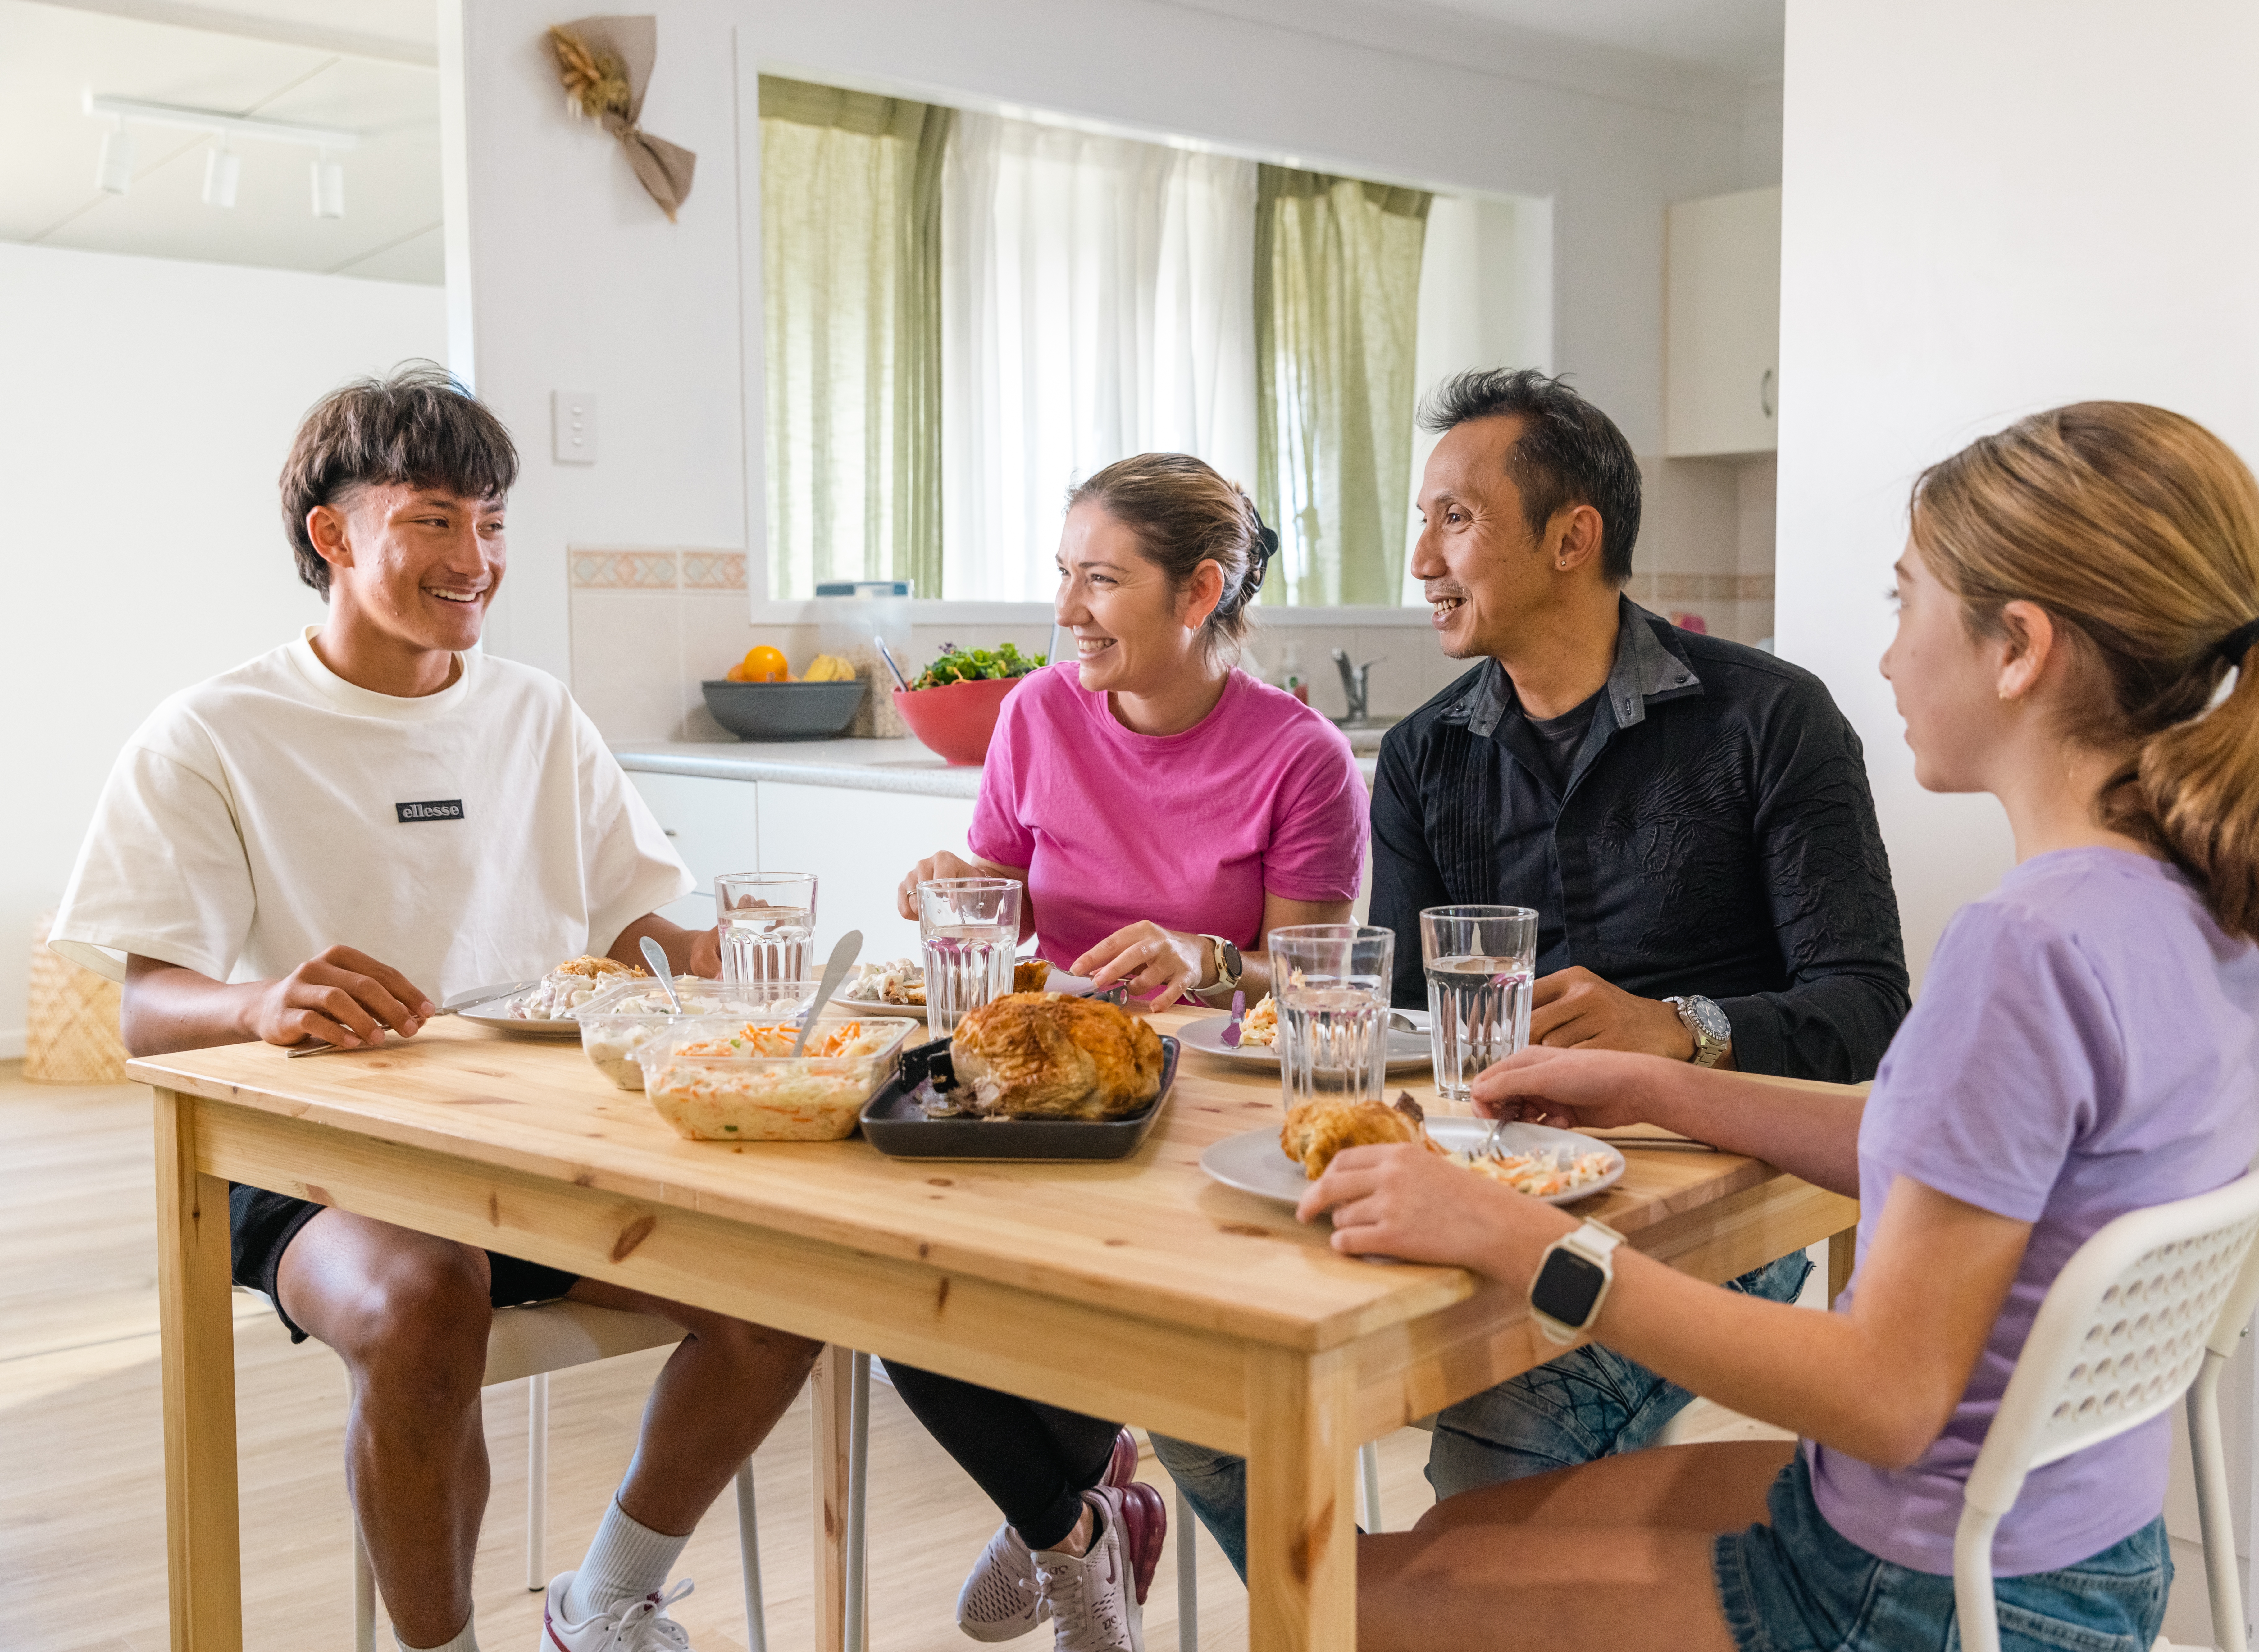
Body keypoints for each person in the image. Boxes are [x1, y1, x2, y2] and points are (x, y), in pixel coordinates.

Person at [1299, 401, 2259, 1649]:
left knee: (1351, 1600)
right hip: (2064, 1544)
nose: (1886, 657)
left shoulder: (2025, 947)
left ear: (2017, 649)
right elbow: (1948, 1143)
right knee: (1460, 1534)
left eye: (1903, 603)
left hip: (1914, 1592)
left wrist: (1517, 1238)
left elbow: (1883, 1398)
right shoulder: (2192, 898)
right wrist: (1654, 1084)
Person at [49, 365, 822, 1652]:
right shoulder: (211, 732)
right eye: (433, 520)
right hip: (319, 1165)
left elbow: (642, 930)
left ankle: (604, 1597)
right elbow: (147, 1014)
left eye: (494, 521)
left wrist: (736, 951)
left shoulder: (534, 712)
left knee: (797, 1289)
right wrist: (261, 998)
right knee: (424, 1298)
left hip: (546, 1144)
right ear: (334, 534)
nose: (475, 558)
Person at [1153, 369, 1912, 1576]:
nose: (1420, 561)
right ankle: (1385, 1615)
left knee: (1499, 1447)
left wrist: (1679, 1030)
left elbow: (1869, 1011)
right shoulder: (1420, 755)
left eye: (1453, 518)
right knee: (1186, 1370)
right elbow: (1396, 1009)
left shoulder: (1768, 722)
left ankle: (1416, 1610)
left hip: (1714, 1196)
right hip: (1476, 1171)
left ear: (1573, 537)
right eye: (1422, 521)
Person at [888, 452, 1368, 1652]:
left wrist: (1207, 958)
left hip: (1207, 1121)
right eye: (1064, 576)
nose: (1065, 612)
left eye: (1099, 582)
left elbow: (1315, 984)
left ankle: (1075, 1507)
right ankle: (1078, 1531)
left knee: (1058, 1311)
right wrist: (955, 892)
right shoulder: (1038, 717)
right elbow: (1000, 912)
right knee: (896, 1276)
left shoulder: (1301, 757)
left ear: (1199, 592)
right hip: (1046, 1101)